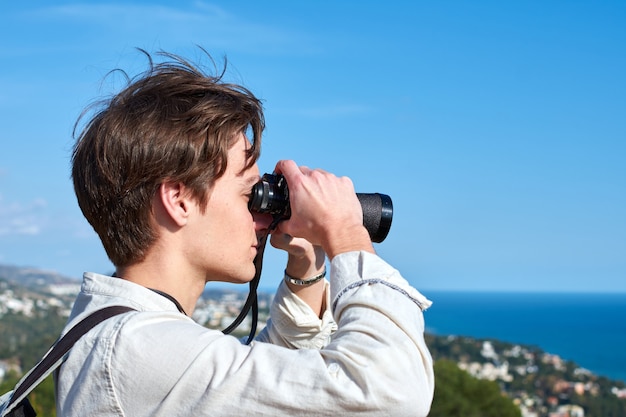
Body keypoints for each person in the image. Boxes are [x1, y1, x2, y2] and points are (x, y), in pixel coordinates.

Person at [57, 50, 434, 416]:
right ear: (179, 199)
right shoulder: (137, 349)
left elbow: (260, 389)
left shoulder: (117, 331)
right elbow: (388, 392)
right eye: (248, 193)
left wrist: (307, 266)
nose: (262, 217)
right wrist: (346, 231)